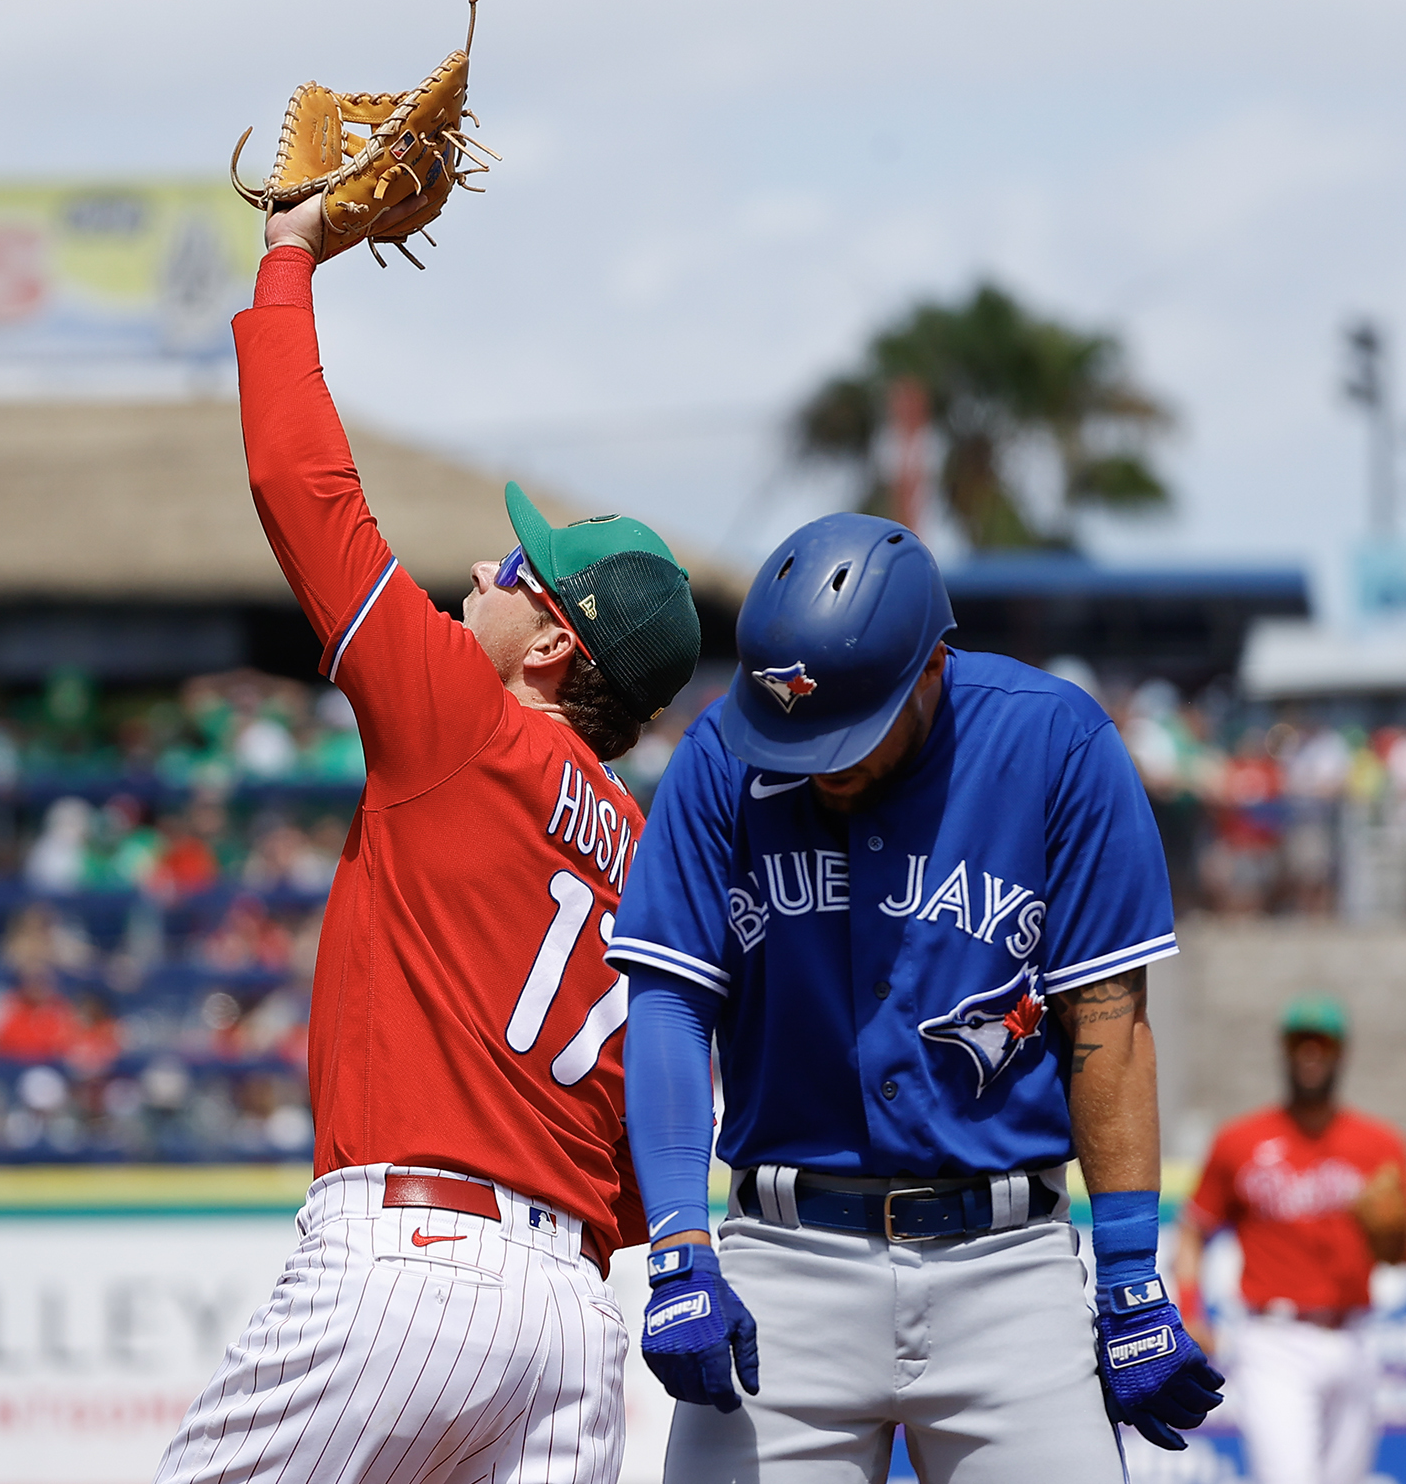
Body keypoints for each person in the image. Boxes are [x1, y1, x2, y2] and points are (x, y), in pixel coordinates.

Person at [152, 198, 703, 1484]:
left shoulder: (465, 724)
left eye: (518, 568)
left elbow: (305, 489)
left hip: (413, 1266)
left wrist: (285, 262)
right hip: (572, 1319)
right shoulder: (652, 851)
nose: (484, 567)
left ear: (557, 644)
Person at [608, 514, 1223, 1483]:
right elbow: (670, 1003)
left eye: (845, 731)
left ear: (930, 666)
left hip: (1008, 1269)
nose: (817, 758)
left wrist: (1132, 1271)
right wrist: (681, 1247)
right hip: (784, 1264)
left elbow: (1106, 1019)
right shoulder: (723, 754)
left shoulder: (1054, 744)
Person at [1175, 995, 1406, 1484]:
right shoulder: (1242, 1141)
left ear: (1341, 1053)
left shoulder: (1379, 1144)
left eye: (1322, 1044)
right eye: (1300, 1043)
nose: (1310, 1055)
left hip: (1354, 1336)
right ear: (1285, 1051)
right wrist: (1190, 1308)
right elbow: (1192, 1232)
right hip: (1274, 1340)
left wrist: (1399, 1241)